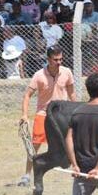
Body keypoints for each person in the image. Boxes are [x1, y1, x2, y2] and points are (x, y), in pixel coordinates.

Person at [19, 46, 77, 187]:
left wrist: (78, 110)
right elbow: (27, 95)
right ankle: (27, 175)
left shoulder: (67, 72)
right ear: (48, 59)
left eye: (61, 59)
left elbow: (72, 93)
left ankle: (77, 169)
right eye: (55, 59)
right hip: (43, 114)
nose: (59, 62)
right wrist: (25, 115)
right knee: (34, 146)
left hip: (62, 115)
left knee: (74, 142)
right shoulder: (39, 75)